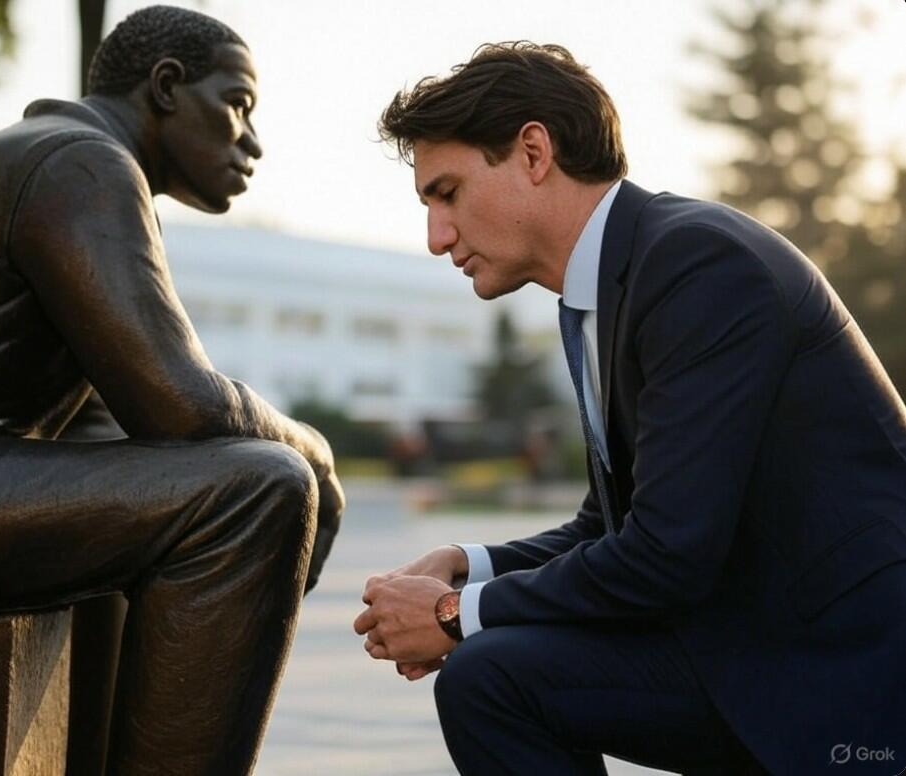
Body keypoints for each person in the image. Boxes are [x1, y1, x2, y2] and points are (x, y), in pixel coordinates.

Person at [354, 42, 906, 775]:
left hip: (840, 670)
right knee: (491, 674)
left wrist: (453, 616)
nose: (436, 238)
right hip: (746, 640)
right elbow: (609, 527)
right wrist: (465, 567)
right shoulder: (604, 292)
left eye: (447, 193)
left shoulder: (699, 266)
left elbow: (667, 555)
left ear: (532, 152)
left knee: (489, 673)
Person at [0, 6, 343, 775]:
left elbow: (110, 426)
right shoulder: (81, 165)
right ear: (166, 86)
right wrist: (312, 450)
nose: (251, 140)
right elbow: (184, 406)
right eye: (237, 104)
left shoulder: (55, 157)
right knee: (260, 489)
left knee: (156, 485)